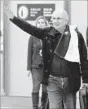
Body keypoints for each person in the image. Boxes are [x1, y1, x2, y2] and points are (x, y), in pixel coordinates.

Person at [4, 7, 88, 109]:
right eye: (53, 18)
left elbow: (83, 58)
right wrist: (14, 18)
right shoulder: (47, 33)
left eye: (59, 18)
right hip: (53, 80)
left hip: (70, 80)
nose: (55, 21)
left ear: (66, 20)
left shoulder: (76, 36)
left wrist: (85, 80)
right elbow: (30, 28)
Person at [27, 16, 49, 109]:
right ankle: (35, 106)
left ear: (46, 24)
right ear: (36, 24)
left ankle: (44, 106)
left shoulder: (48, 36)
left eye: (42, 22)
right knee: (36, 87)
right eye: (39, 22)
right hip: (35, 66)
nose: (40, 24)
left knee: (45, 88)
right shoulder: (32, 37)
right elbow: (29, 53)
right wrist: (28, 68)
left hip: (46, 67)